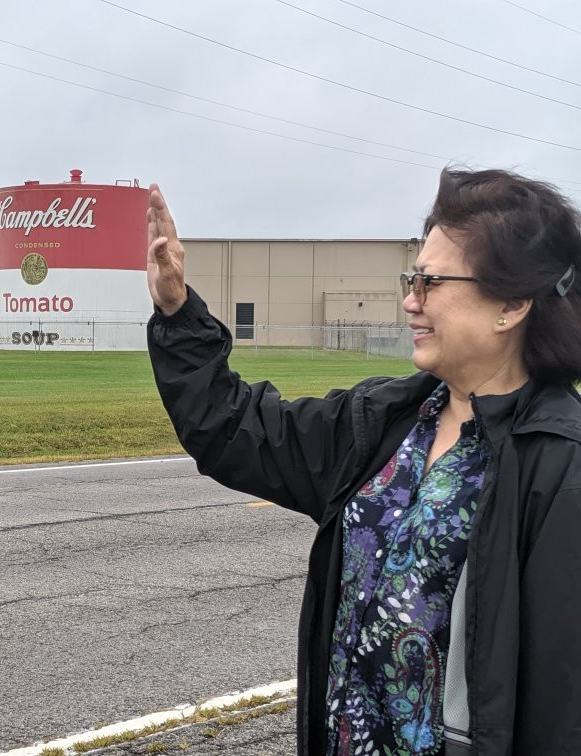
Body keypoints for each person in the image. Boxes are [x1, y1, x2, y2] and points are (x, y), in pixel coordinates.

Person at [145, 169, 581, 755]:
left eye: (430, 282)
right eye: (411, 277)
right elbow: (236, 428)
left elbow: (561, 704)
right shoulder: (385, 420)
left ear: (511, 305)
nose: (410, 300)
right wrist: (177, 314)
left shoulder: (561, 464)